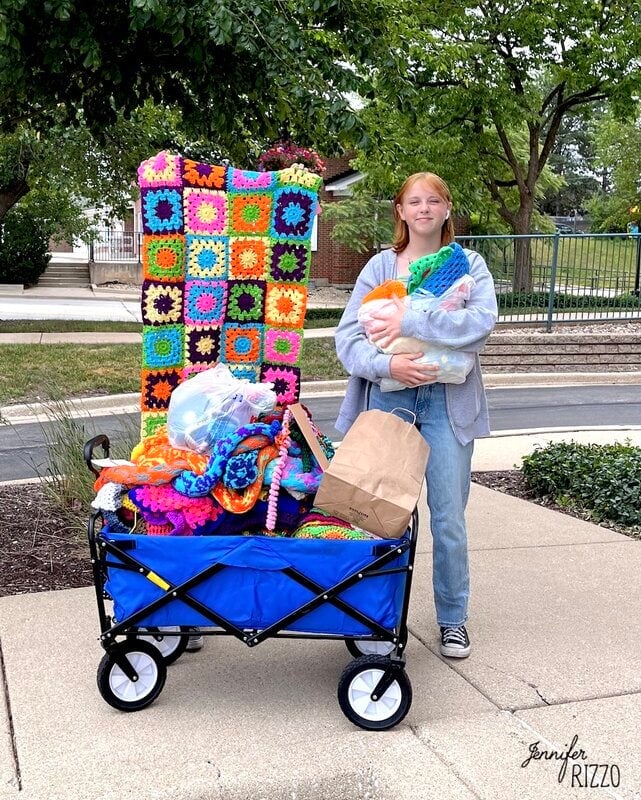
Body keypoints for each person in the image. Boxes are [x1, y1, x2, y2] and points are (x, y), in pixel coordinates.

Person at [334, 172, 498, 658]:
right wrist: (390, 364)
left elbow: (480, 323)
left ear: (448, 209)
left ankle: (452, 620)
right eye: (414, 202)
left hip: (449, 407)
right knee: (378, 516)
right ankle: (374, 620)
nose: (424, 208)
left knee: (449, 519)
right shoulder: (381, 267)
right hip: (391, 402)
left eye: (434, 201)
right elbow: (348, 340)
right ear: (401, 212)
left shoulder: (470, 265)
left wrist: (410, 320)